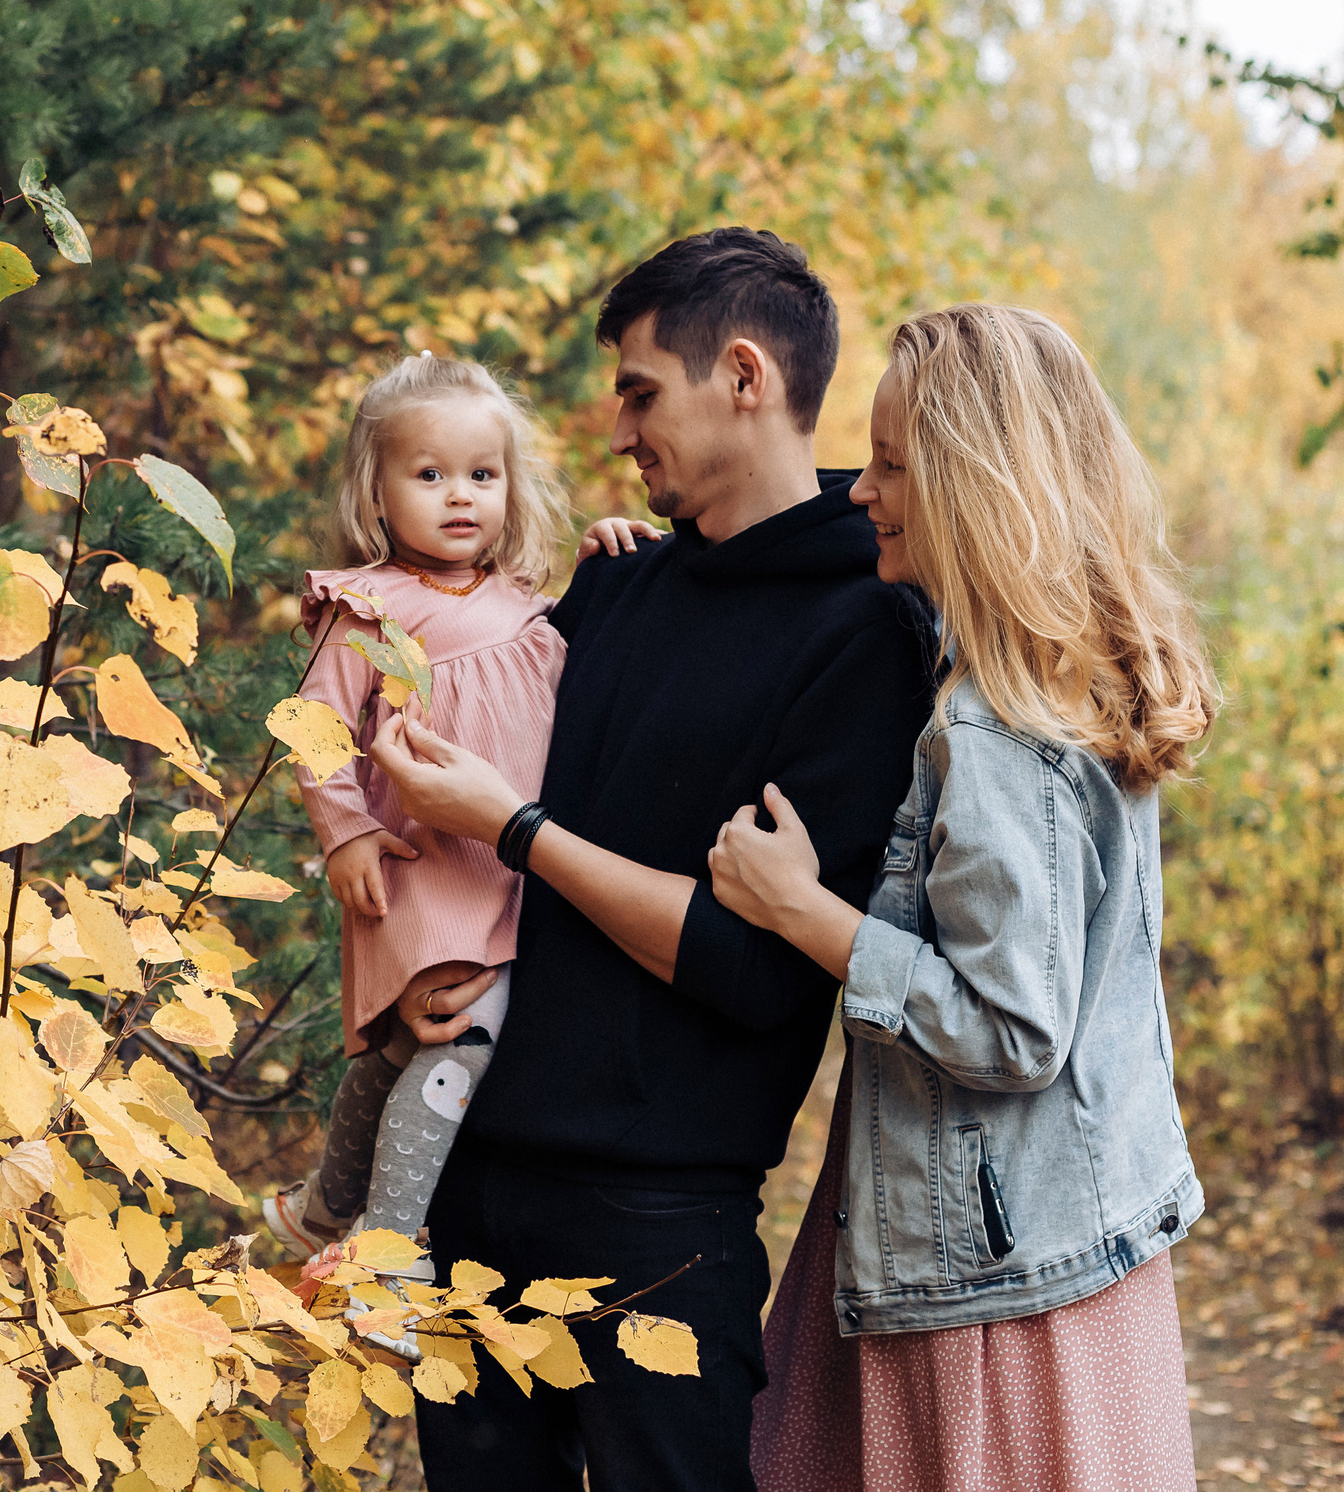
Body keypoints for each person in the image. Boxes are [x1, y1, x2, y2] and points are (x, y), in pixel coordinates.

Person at [367, 228, 936, 1492]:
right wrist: (414, 964)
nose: (619, 428)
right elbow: (444, 801)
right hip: (470, 1178)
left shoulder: (867, 628)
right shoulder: (618, 587)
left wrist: (517, 828)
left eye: (640, 391)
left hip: (657, 1222)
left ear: (742, 376)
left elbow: (756, 970)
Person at [711, 302, 1219, 1492]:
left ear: (975, 487)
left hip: (991, 1291)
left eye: (891, 465)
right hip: (1054, 1237)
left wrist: (805, 913)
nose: (859, 489)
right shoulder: (1060, 680)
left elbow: (1010, 1029)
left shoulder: (999, 738)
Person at [259, 353, 572, 1296]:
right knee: (462, 1041)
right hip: (415, 865)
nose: (460, 496)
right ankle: (385, 1259)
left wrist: (605, 549)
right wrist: (344, 830)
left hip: (507, 867)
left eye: (483, 473)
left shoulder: (530, 606)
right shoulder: (369, 606)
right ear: (377, 489)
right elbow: (312, 728)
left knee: (408, 1047)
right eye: (428, 475)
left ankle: (324, 1203)